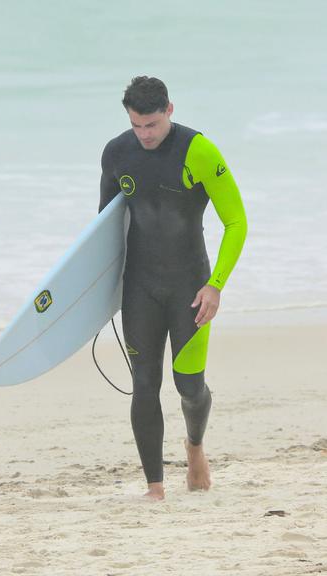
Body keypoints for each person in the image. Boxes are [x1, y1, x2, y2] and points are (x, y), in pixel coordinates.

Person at [99, 76, 247, 501]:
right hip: (140, 286)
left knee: (189, 386)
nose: (144, 134)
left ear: (169, 110)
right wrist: (97, 297)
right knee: (144, 383)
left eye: (152, 125)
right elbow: (104, 229)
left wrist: (215, 285)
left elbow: (236, 221)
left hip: (190, 287)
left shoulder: (198, 150)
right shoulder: (116, 153)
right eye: (137, 125)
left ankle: (195, 446)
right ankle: (155, 487)